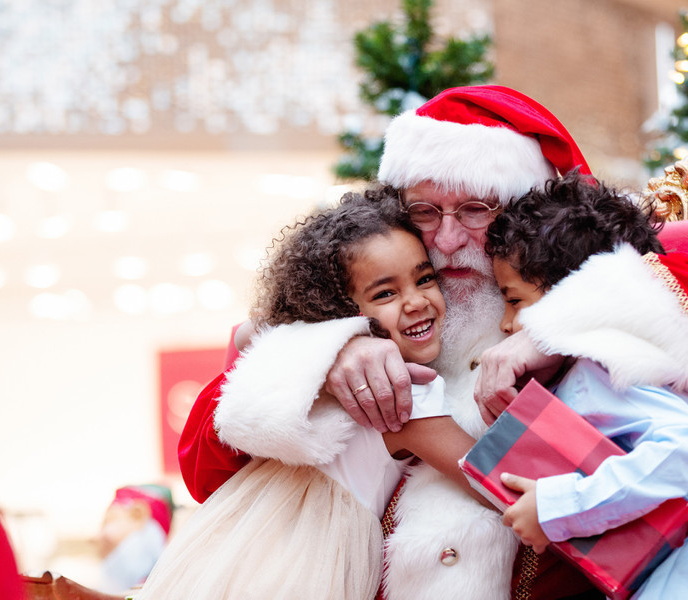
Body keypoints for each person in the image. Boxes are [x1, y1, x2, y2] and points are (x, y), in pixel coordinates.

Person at [179, 85, 688, 599]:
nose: (448, 241)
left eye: (476, 210)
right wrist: (330, 350)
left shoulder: (589, 292)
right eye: (425, 211)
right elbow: (204, 472)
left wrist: (555, 329)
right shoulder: (368, 308)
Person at [137, 188, 484, 599]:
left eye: (425, 279)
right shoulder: (402, 395)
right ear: (339, 312)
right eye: (385, 293)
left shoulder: (305, 376)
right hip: (307, 569)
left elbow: (252, 332)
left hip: (230, 552)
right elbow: (488, 476)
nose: (415, 301)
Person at [490, 173, 688, 599]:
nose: (505, 324)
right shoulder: (649, 360)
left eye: (514, 300)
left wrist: (556, 508)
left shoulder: (599, 371)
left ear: (570, 295)